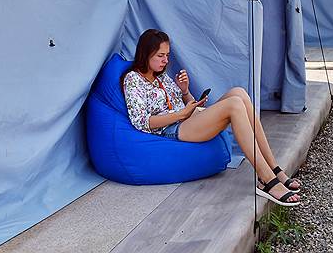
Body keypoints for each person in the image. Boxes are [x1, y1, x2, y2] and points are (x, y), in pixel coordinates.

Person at [122, 29, 301, 207]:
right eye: (161, 55)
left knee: (239, 93)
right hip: (172, 129)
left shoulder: (162, 76)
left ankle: (275, 169)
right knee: (234, 105)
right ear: (146, 53)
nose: (166, 61)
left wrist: (185, 91)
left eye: (167, 55)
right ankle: (266, 180)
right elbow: (141, 122)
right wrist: (181, 114)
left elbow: (188, 104)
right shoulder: (133, 80)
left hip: (189, 117)